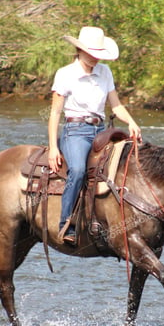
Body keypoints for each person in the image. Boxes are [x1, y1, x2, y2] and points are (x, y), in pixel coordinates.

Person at [48, 26, 142, 245]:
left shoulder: (105, 72)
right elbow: (54, 113)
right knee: (79, 171)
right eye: (92, 53)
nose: (96, 58)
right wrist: (53, 147)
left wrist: (132, 122)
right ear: (79, 50)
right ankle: (67, 224)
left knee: (126, 167)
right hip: (76, 131)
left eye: (99, 54)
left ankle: (114, 221)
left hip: (101, 131)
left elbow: (116, 106)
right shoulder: (65, 74)